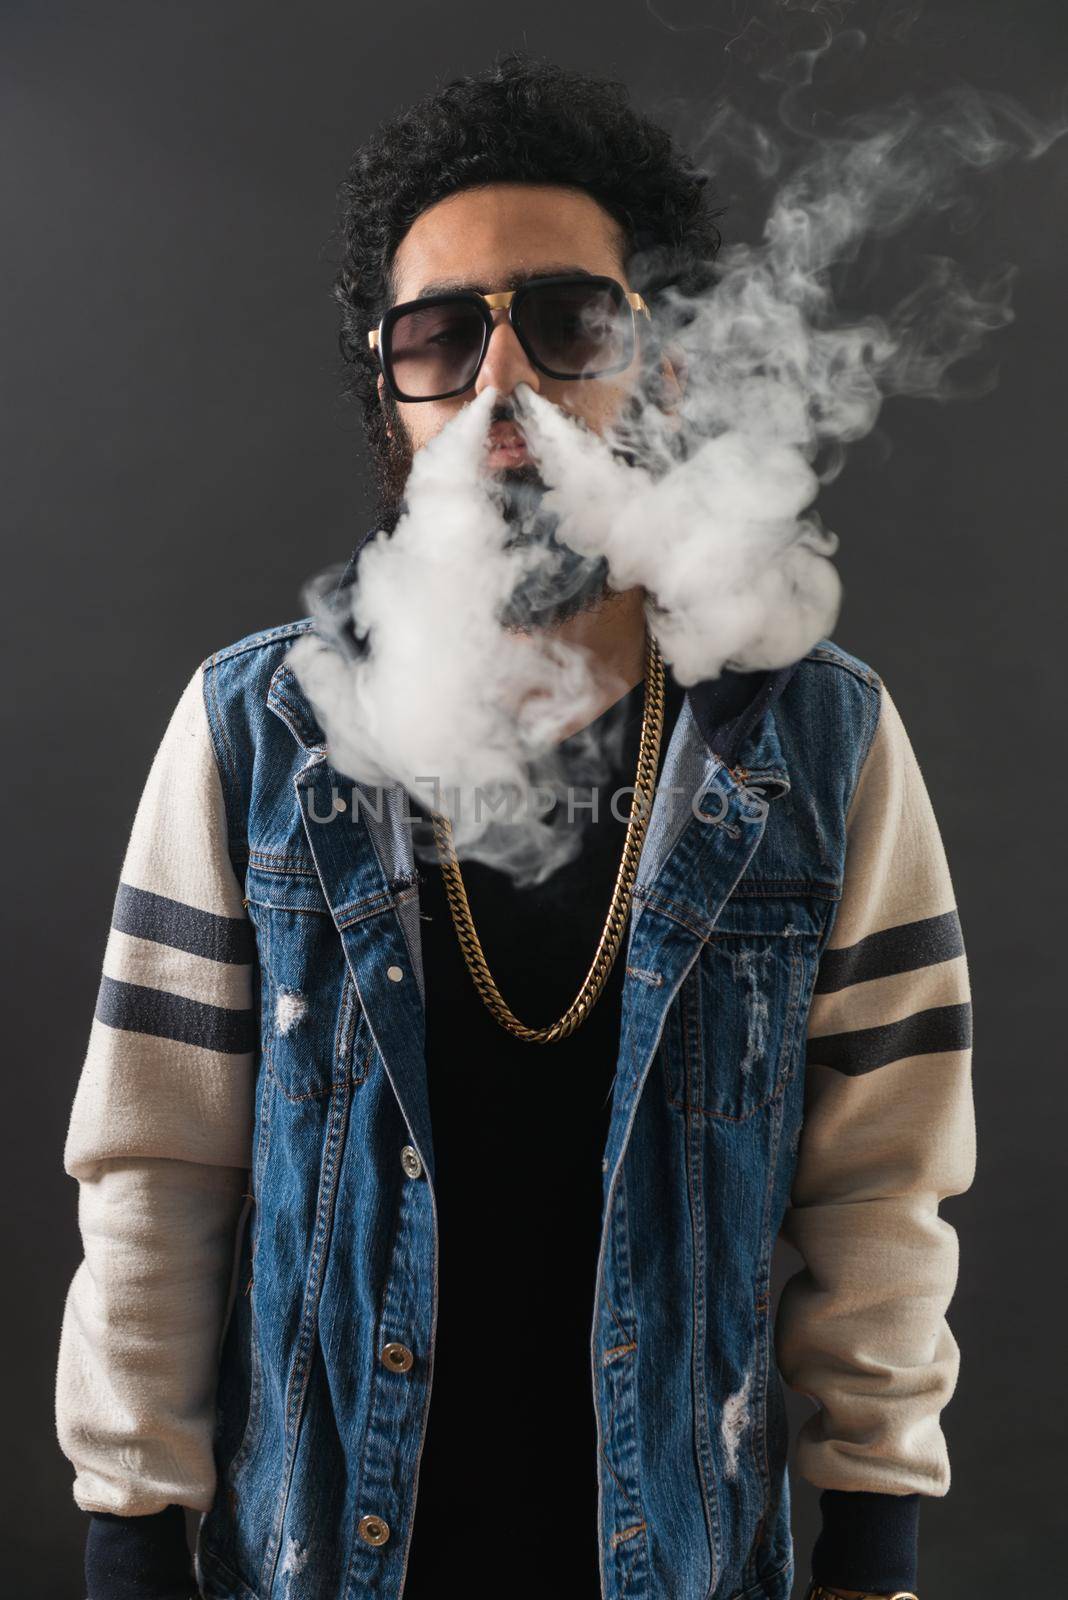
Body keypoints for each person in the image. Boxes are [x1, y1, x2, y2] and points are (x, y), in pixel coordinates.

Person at [55, 52, 976, 1600]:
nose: (503, 387)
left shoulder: (820, 744)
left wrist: (870, 1552)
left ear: (661, 365)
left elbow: (883, 1188)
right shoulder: (256, 734)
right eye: (439, 336)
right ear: (389, 387)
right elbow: (156, 1175)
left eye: (566, 322)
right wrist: (129, 1539)